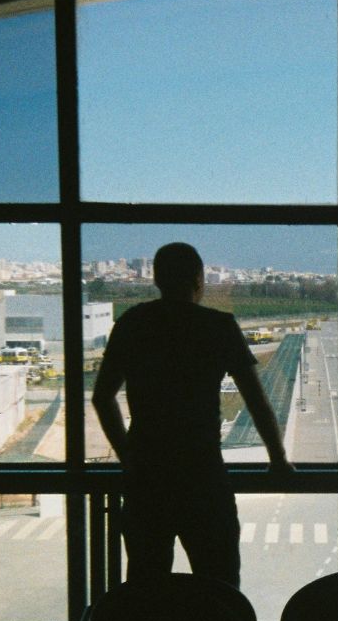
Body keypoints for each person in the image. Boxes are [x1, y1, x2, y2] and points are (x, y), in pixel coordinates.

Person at [92, 242, 294, 585]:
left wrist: (129, 457)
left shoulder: (133, 322)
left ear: (156, 279)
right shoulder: (218, 326)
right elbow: (257, 401)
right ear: (200, 280)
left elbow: (102, 398)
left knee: (147, 588)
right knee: (220, 585)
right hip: (203, 476)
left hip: (147, 481)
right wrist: (277, 459)